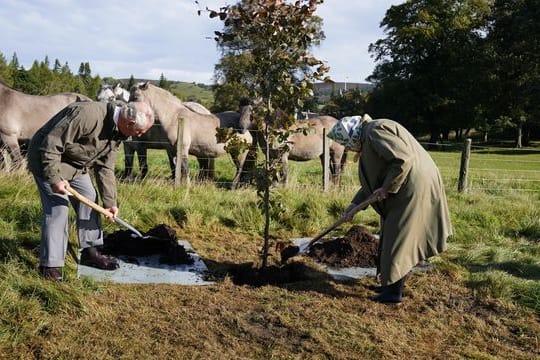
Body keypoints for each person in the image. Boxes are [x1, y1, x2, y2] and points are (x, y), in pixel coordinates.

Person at [327, 114, 453, 303]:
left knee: (399, 239)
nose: (348, 148)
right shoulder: (369, 136)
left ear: (351, 136)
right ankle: (389, 283)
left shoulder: (375, 131)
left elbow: (403, 159)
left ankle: (393, 293)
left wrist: (387, 187)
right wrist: (354, 205)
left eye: (346, 143)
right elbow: (374, 181)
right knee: (392, 235)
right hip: (405, 187)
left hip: (412, 188)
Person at [27, 100, 155, 281]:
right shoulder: (87, 115)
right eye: (140, 131)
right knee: (58, 209)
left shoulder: (118, 132)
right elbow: (51, 145)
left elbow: (105, 168)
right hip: (47, 160)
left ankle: (90, 251)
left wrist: (110, 203)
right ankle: (50, 266)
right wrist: (55, 179)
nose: (140, 136)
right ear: (130, 123)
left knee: (89, 197)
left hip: (75, 165)